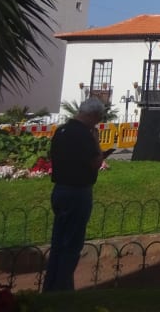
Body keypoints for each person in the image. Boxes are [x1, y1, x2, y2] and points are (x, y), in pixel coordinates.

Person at [43, 97, 109, 292]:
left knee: (58, 243)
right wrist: (97, 143)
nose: (97, 123)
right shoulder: (84, 135)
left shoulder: (61, 131)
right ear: (93, 115)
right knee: (72, 244)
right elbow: (95, 162)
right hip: (78, 191)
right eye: (98, 118)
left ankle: (50, 287)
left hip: (60, 189)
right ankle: (62, 290)